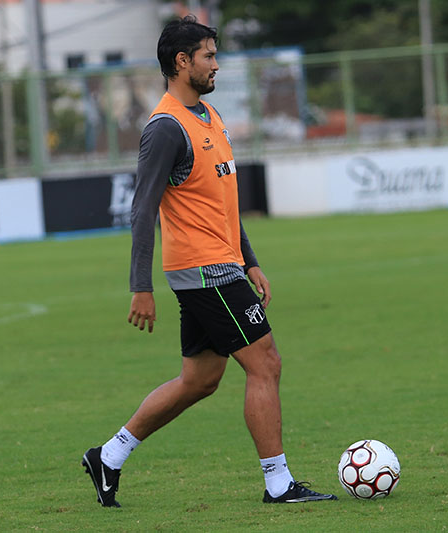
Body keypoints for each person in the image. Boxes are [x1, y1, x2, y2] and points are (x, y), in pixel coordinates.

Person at [81, 16, 337, 506]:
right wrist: (140, 286)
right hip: (205, 269)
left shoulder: (209, 115)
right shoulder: (165, 128)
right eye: (209, 56)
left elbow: (220, 201)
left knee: (199, 380)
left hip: (223, 264)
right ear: (182, 62)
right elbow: (142, 209)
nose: (216, 64)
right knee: (266, 363)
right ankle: (279, 484)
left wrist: (250, 260)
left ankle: (108, 456)